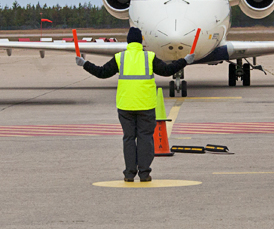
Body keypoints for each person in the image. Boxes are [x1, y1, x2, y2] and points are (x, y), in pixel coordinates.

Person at [75, 27, 194, 182]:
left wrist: (84, 63)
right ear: (141, 41)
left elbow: (102, 72)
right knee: (145, 138)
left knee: (129, 138)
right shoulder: (149, 57)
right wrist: (185, 60)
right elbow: (167, 70)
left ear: (128, 41)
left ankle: (129, 174)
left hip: (125, 106)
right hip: (146, 105)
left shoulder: (120, 57)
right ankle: (144, 173)